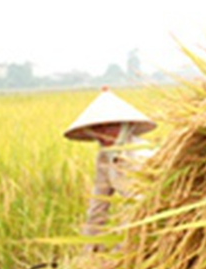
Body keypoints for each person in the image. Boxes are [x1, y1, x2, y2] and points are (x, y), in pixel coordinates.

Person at [63, 86, 157, 252]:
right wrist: (88, 251)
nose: (104, 133)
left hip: (155, 222)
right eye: (98, 127)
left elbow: (142, 207)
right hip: (134, 222)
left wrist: (119, 251)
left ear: (125, 126)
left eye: (111, 126)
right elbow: (98, 205)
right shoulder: (104, 157)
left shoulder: (140, 155)